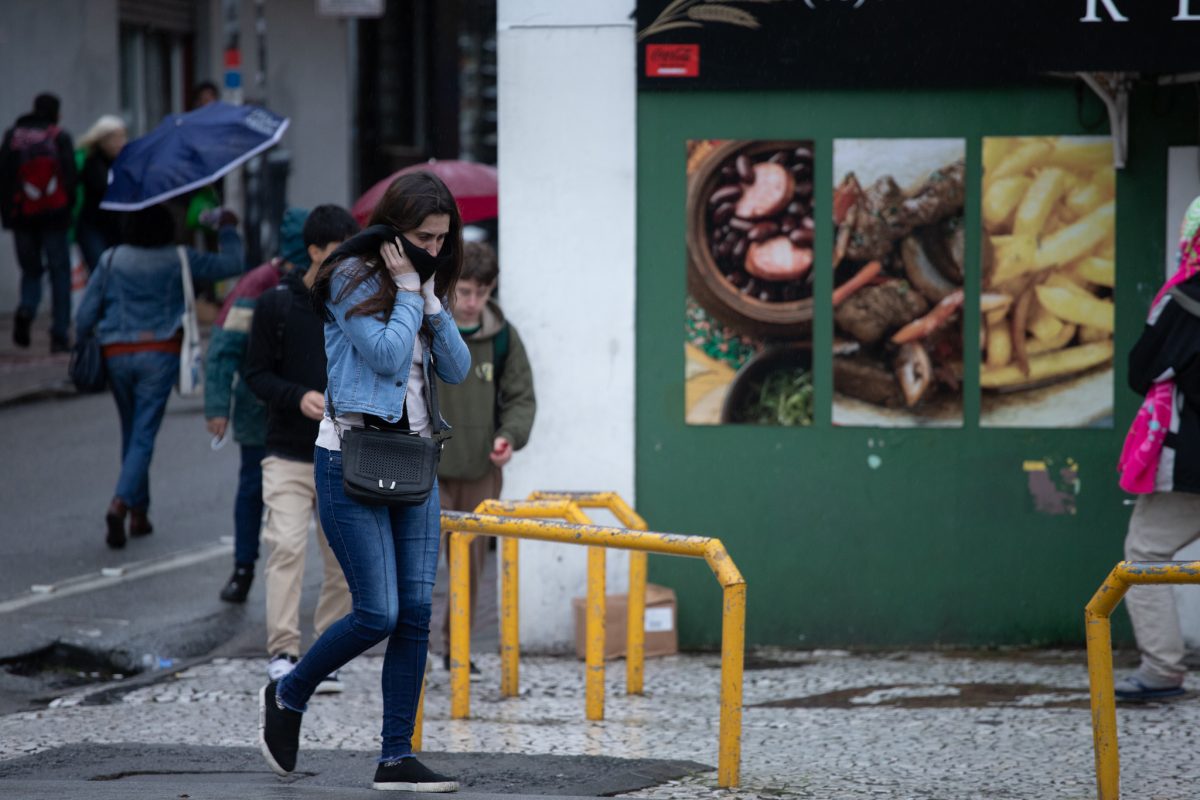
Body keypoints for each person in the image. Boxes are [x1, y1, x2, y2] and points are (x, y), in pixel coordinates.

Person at [258, 172, 470, 792]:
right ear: (393, 233)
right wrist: (408, 294)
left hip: (416, 461)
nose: (434, 248)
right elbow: (382, 354)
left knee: (415, 615)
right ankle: (288, 694)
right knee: (377, 611)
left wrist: (430, 301)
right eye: (424, 237)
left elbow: (456, 367)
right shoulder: (349, 277)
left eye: (442, 238)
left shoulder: (424, 283)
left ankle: (395, 757)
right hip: (350, 457)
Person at [74, 204, 245, 549]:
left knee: (132, 431)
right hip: (160, 353)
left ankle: (139, 512)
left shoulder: (111, 259)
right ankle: (121, 503)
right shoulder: (179, 258)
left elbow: (84, 317)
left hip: (116, 353)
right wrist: (226, 228)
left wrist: (85, 343)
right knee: (144, 434)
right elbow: (232, 265)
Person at [242, 205, 359, 688]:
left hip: (342, 454)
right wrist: (299, 396)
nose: (348, 264)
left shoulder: (355, 304)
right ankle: (284, 653)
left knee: (341, 555)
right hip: (288, 451)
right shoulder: (276, 305)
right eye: (338, 254)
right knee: (286, 547)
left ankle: (326, 654)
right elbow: (255, 375)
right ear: (314, 251)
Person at [436, 241, 536, 675]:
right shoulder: (429, 329)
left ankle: (455, 646)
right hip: (426, 468)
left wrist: (508, 436)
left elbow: (521, 397)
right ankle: (407, 648)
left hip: (481, 469)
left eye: (483, 292)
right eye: (465, 291)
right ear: (449, 288)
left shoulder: (503, 337)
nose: (473, 302)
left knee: (471, 565)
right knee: (418, 564)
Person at [1115, 196, 1200, 701]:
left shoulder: (1185, 298)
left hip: (1192, 459)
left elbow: (1141, 369)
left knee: (1145, 553)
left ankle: (1162, 669)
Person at [206, 208, 310, 603]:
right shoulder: (255, 287)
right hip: (257, 411)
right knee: (252, 488)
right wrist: (217, 407)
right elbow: (223, 349)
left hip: (307, 411)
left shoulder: (324, 283)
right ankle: (243, 568)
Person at [0, 93, 78, 351]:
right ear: (55, 112)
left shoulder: (13, 137)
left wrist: (9, 216)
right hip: (54, 216)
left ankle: (26, 308)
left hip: (22, 216)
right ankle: (59, 333)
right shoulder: (59, 136)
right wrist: (68, 211)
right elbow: (70, 178)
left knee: (31, 270)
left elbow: (4, 178)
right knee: (59, 273)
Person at [74, 115, 127, 272]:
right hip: (93, 224)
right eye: (115, 139)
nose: (120, 143)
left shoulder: (123, 162)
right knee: (100, 270)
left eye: (123, 137)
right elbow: (102, 186)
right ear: (102, 140)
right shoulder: (92, 162)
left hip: (116, 226)